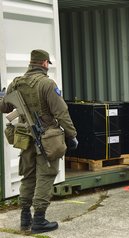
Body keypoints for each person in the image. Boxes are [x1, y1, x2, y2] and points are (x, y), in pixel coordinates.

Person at [0, 49, 78, 233]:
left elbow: (5, 108)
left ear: (30, 62)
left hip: (24, 137)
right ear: (44, 63)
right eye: (47, 64)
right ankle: (39, 220)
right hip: (45, 138)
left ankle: (25, 218)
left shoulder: (16, 83)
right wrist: (71, 134)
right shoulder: (47, 84)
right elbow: (61, 112)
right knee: (46, 176)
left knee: (28, 176)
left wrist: (3, 96)